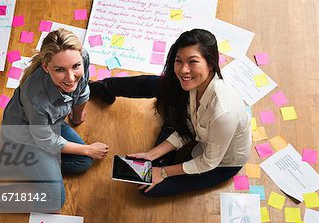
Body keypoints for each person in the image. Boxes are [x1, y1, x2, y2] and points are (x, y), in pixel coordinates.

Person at [0, 28, 109, 223]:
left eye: (75, 67)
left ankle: (16, 162)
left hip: (50, 125)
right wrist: (88, 148)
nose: (71, 77)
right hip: (24, 136)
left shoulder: (81, 58)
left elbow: (82, 91)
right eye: (60, 70)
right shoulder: (35, 98)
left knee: (83, 162)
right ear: (46, 67)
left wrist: (76, 117)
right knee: (55, 200)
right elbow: (47, 141)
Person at [90, 29, 251, 197]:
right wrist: (151, 155)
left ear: (211, 63)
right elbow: (190, 127)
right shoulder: (196, 85)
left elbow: (208, 162)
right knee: (161, 87)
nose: (183, 70)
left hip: (220, 164)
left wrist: (163, 172)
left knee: (149, 188)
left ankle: (168, 130)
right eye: (178, 61)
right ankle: (102, 88)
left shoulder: (224, 114)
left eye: (192, 62)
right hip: (200, 137)